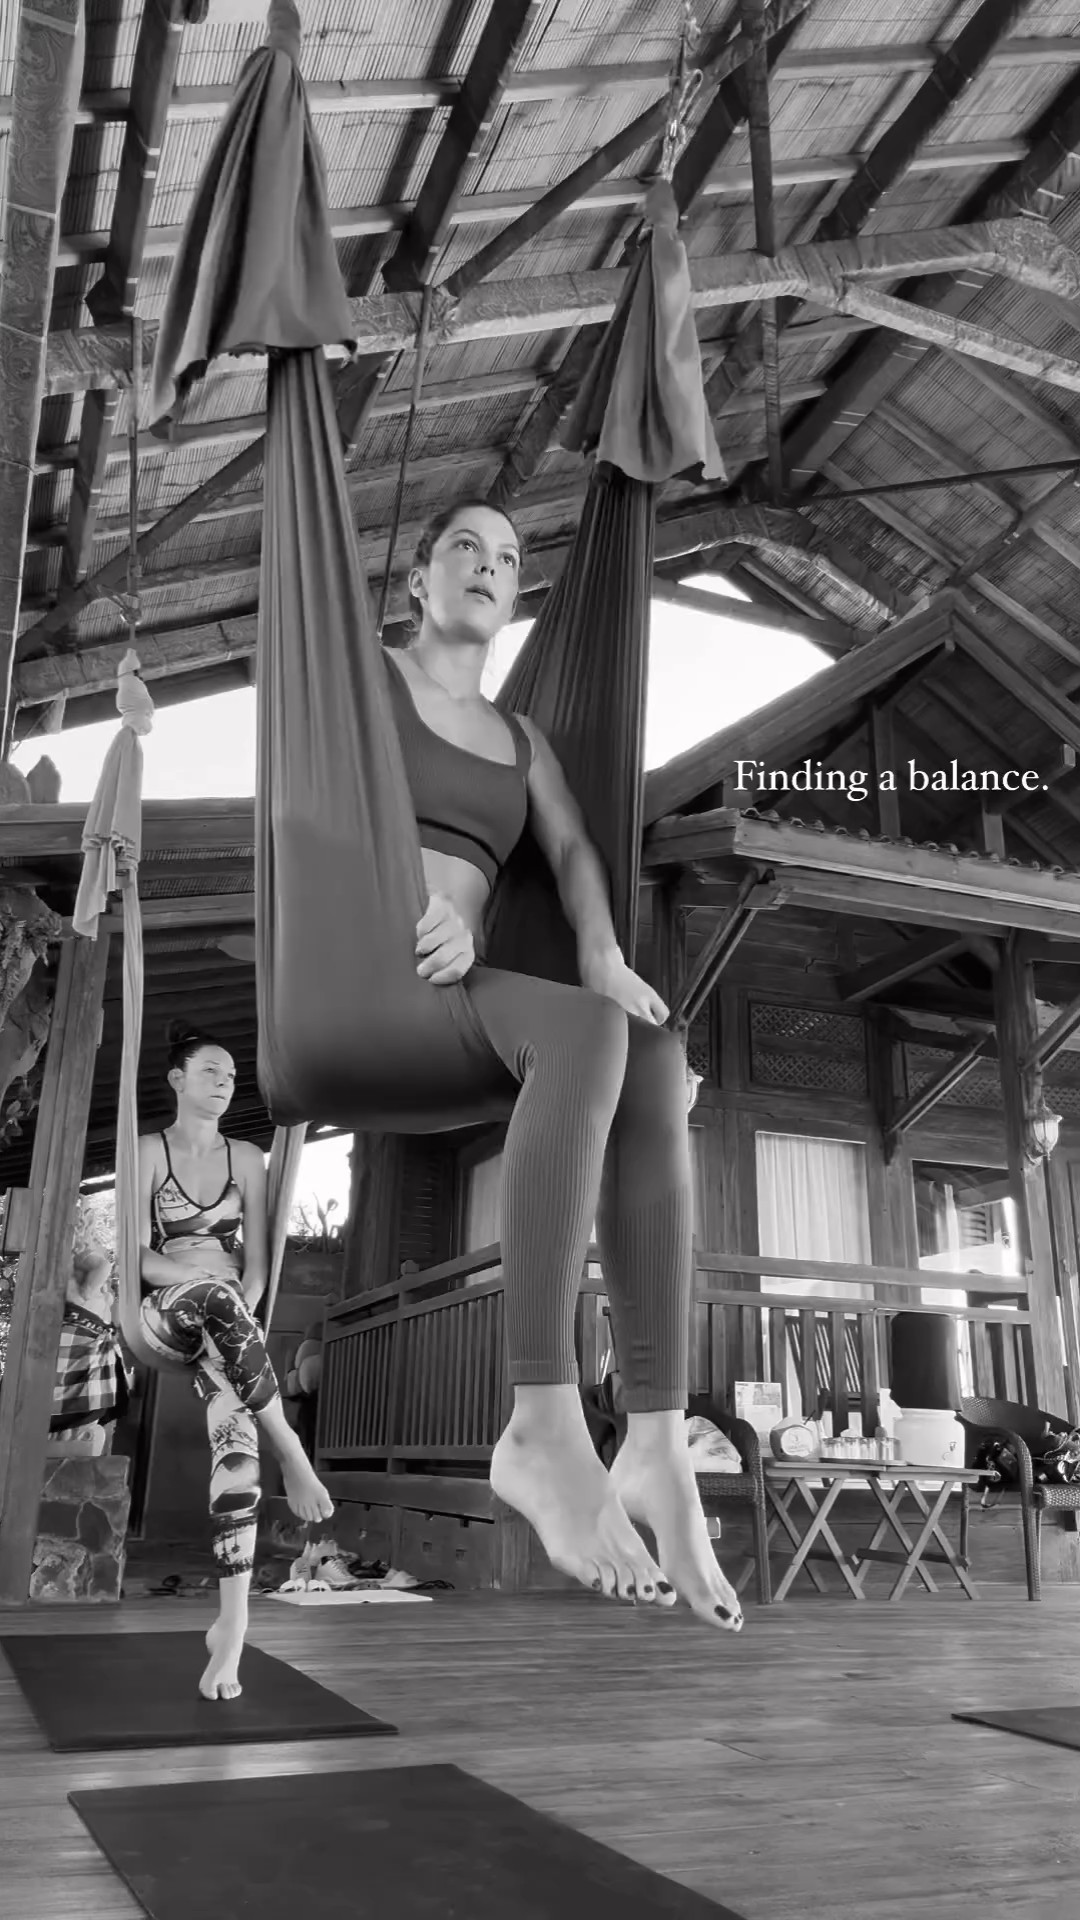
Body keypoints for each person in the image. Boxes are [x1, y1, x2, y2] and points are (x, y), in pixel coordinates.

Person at [382, 498, 742, 1632]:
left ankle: (654, 1446)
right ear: (417, 580)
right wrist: (392, 904)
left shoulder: (521, 740)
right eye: (464, 547)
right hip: (368, 971)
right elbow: (313, 800)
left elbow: (578, 846)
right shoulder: (364, 681)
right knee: (590, 1036)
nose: (489, 566)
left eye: (507, 556)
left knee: (655, 1056)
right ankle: (539, 1422)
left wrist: (598, 949)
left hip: (464, 988)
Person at [137, 1023, 334, 1700]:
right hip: (166, 1310)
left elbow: (257, 1264)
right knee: (214, 1296)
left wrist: (237, 1305)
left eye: (230, 1074)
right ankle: (293, 1448)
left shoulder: (247, 1156)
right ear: (178, 1078)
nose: (225, 1082)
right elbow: (139, 1255)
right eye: (211, 1071)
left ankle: (233, 1624)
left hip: (229, 1327)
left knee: (237, 1452)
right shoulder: (148, 1150)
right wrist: (209, 1286)